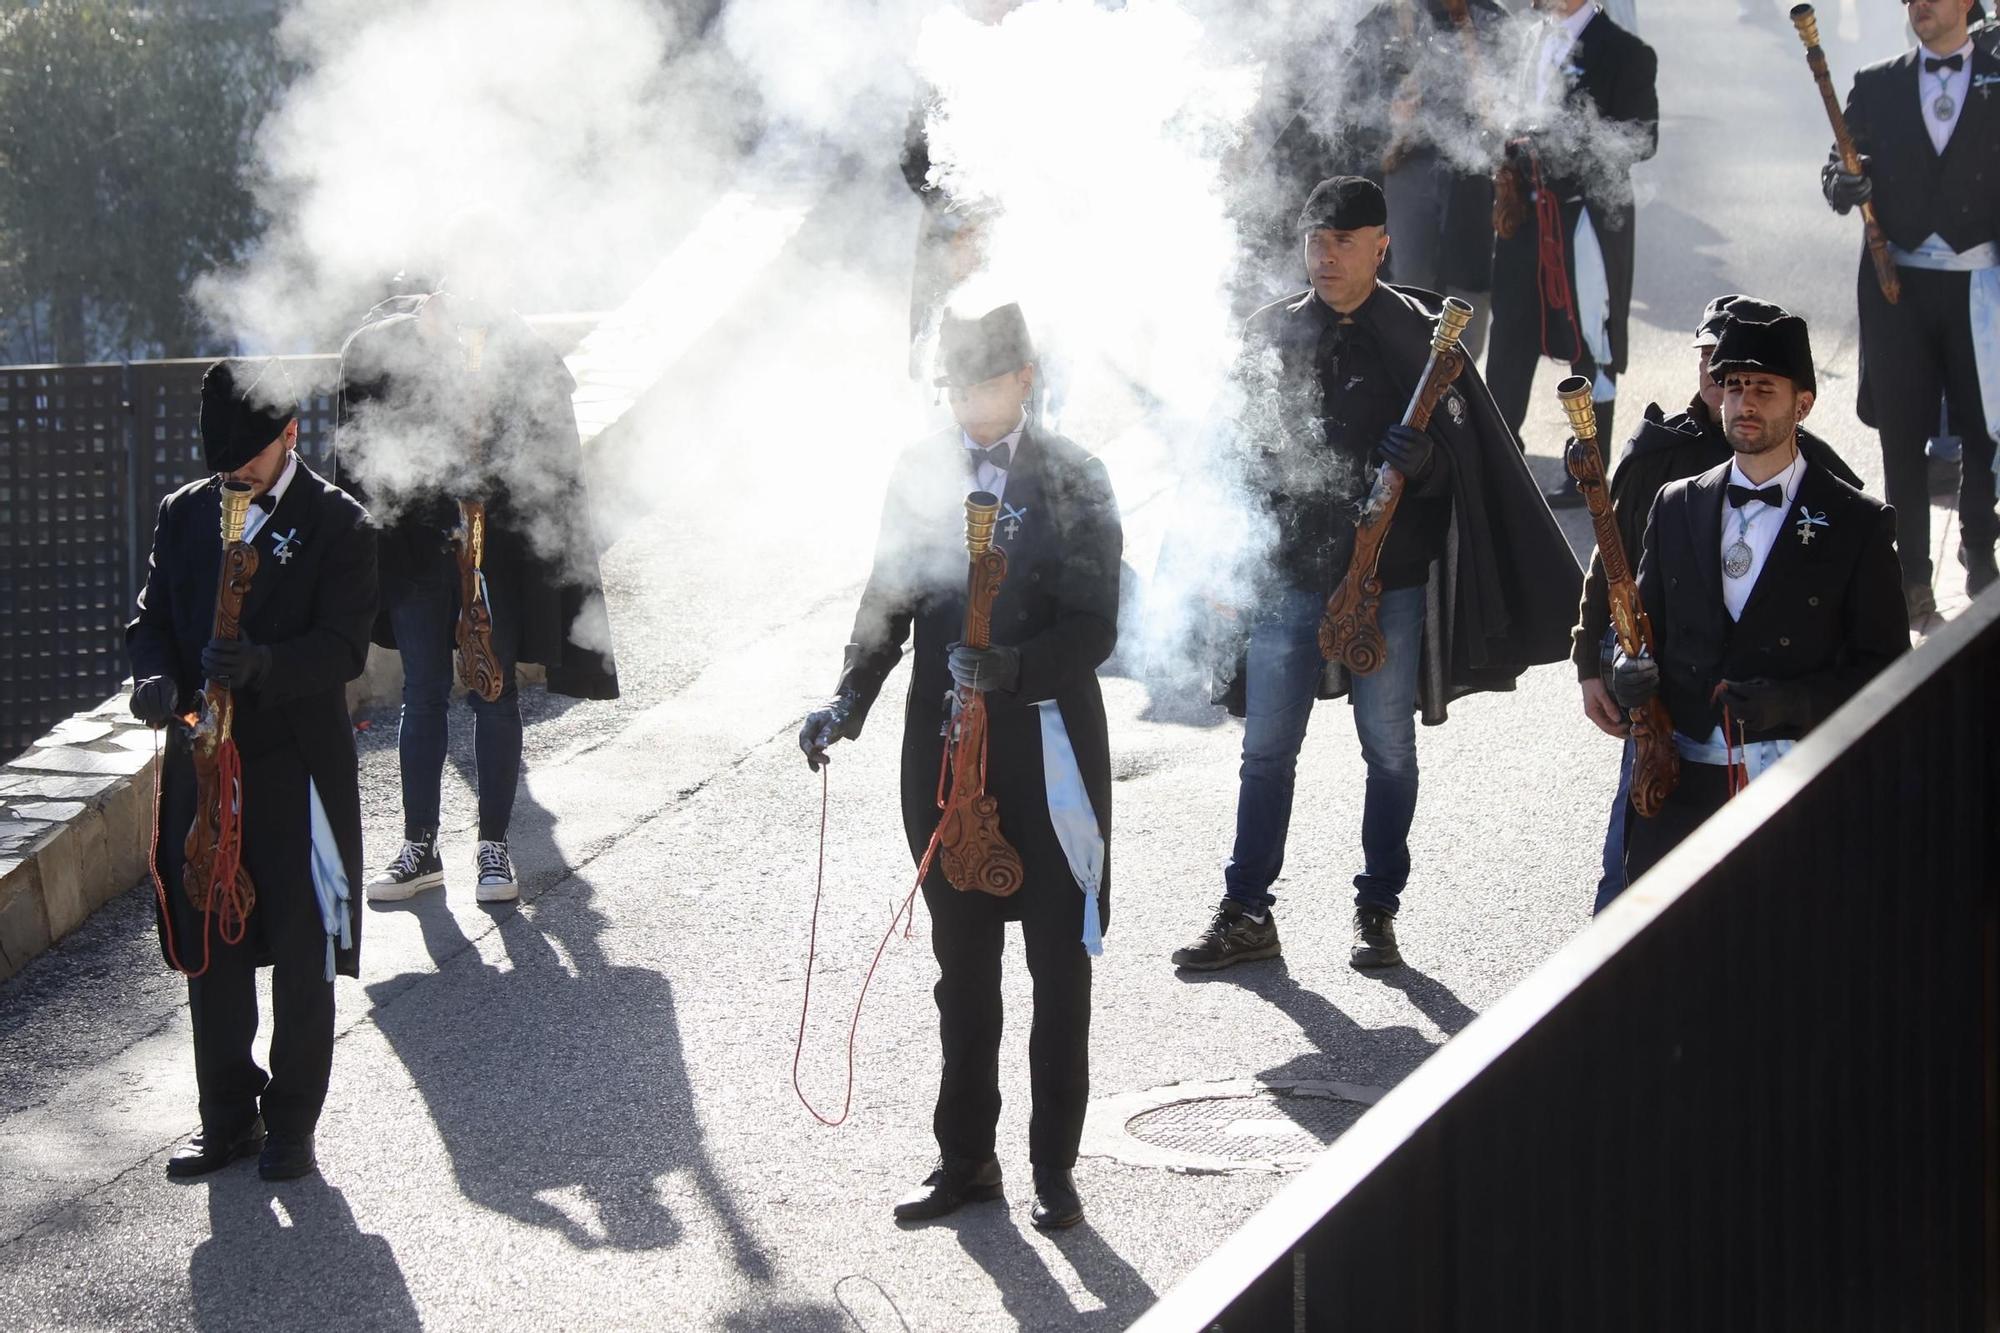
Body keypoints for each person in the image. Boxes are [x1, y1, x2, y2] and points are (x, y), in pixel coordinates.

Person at [1171, 177, 1580, 974]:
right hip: (1288, 572)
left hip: (1390, 579)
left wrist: (1427, 465)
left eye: (1343, 244)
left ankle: (1377, 909)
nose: (1324, 259)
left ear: (1381, 245)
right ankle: (1247, 909)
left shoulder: (1427, 338)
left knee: (1387, 750)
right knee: (1265, 753)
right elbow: (1227, 456)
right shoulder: (1269, 333)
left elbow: (1467, 456)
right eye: (1315, 244)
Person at [798, 303, 1121, 1231]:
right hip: (945, 755)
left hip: (1048, 746)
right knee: (963, 968)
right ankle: (966, 1160)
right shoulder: (918, 469)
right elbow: (886, 600)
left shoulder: (1075, 476)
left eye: (984, 383)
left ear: (1024, 377)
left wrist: (1016, 668)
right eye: (955, 387)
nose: (968, 403)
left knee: (1060, 966)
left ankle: (1054, 1165)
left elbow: (1097, 624)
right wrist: (847, 699)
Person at [127, 358, 377, 1181]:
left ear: (291, 436)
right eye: (223, 463)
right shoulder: (184, 512)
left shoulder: (339, 522)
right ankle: (226, 1115)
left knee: (305, 951)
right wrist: (154, 678)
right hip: (206, 761)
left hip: (298, 765)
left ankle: (292, 1124)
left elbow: (344, 647)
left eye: (251, 460)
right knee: (212, 946)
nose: (234, 475)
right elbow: (151, 620)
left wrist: (265, 662)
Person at [1576, 296, 1865, 913]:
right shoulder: (1672, 495)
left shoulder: (1852, 518)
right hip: (1678, 769)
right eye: (1732, 381)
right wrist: (1612, 670)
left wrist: (1791, 702)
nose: (1740, 397)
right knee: (1633, 921)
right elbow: (1621, 575)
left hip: (1789, 778)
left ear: (1802, 403)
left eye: (1763, 386)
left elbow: (1885, 674)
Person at [335, 287, 619, 906]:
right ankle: (419, 847)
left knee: (494, 691)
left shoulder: (518, 347)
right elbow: (368, 434)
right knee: (425, 692)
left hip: (498, 559)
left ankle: (494, 848)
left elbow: (542, 451)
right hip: (417, 552)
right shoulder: (391, 338)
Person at [1823, 0, 2000, 622]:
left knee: (1982, 431)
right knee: (1903, 434)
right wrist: (1844, 186)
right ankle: (1912, 576)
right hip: (1897, 288)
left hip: (1980, 284)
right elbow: (1837, 163)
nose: (1919, 3)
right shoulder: (1877, 83)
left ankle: (1981, 551)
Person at [1486, 0, 1659, 507]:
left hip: (1585, 215)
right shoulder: (1530, 39)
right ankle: (1499, 457)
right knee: (1510, 333)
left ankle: (1589, 467)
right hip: (1526, 215)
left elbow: (1642, 139)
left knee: (1591, 341)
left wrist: (1560, 143)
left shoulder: (1626, 51)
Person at [1339, 0, 1509, 360]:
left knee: (1468, 287)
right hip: (1407, 167)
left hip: (1472, 174)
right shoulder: (1386, 17)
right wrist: (1391, 112)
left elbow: (1510, 99)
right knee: (1409, 282)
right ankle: (1411, 382)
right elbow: (1354, 100)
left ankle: (1455, 381)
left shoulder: (1489, 17)